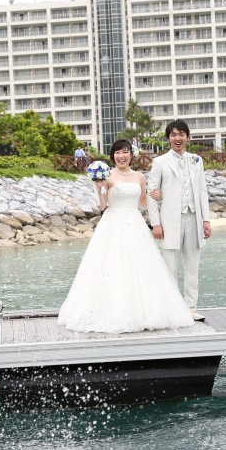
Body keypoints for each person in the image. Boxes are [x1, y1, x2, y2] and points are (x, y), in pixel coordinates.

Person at [57, 139, 195, 333]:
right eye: (117, 153)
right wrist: (98, 187)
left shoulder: (139, 177)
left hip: (135, 223)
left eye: (124, 152)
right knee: (112, 266)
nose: (121, 156)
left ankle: (146, 312)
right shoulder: (107, 175)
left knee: (141, 267)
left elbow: (142, 203)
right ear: (113, 155)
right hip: (113, 225)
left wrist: (158, 196)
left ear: (132, 155)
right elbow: (102, 206)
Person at [146, 120, 211, 322]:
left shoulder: (196, 160)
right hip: (169, 221)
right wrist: (156, 223)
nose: (178, 138)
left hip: (194, 217)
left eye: (181, 134)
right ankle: (172, 309)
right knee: (169, 267)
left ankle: (191, 307)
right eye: (174, 135)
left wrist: (206, 220)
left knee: (193, 266)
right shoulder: (160, 162)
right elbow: (151, 194)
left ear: (187, 137)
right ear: (168, 138)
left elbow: (202, 191)